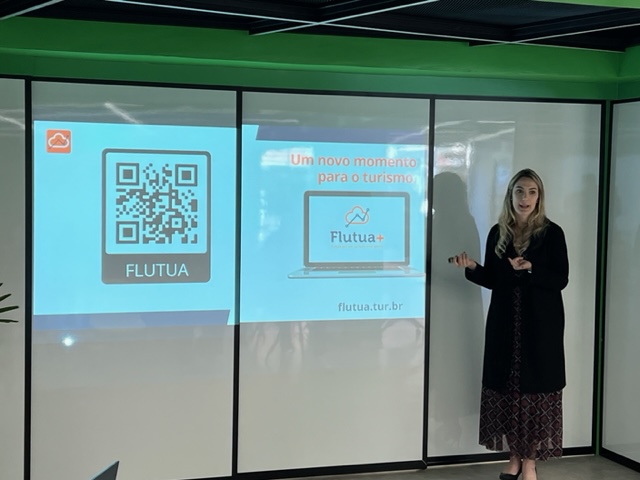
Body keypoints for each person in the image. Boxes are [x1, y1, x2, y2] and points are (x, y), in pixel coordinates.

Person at [450, 168, 568, 480]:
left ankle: (530, 462)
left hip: (540, 326)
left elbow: (561, 278)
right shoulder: (498, 233)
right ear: (510, 195)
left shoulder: (552, 233)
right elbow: (493, 279)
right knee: (510, 392)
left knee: (534, 394)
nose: (525, 198)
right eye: (519, 191)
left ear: (539, 197)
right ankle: (514, 459)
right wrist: (473, 267)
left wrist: (531, 269)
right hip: (506, 325)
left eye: (531, 192)